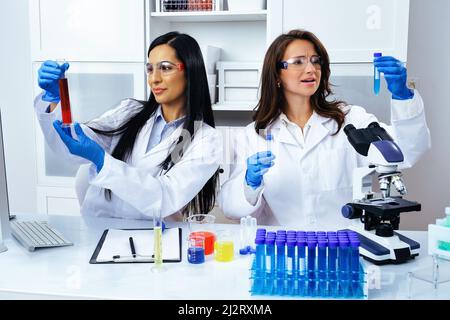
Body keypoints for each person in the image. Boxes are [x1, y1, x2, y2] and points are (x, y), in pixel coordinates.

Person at [219, 29, 431, 229]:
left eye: (315, 61)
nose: (311, 69)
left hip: (343, 247)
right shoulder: (254, 135)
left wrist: (403, 96)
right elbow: (231, 208)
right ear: (276, 76)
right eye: (298, 62)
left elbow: (405, 151)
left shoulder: (350, 119)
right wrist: (249, 182)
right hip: (284, 250)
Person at [35, 31, 222, 221]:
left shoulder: (203, 139)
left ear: (190, 71)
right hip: (95, 226)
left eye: (165, 68)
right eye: (150, 68)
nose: (154, 79)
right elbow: (71, 145)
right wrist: (52, 100)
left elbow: (164, 198)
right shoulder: (130, 112)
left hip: (151, 238)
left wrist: (102, 160)